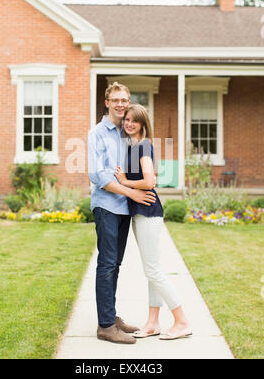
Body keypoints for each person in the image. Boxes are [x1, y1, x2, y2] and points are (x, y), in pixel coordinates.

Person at [115, 104, 192, 340]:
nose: (129, 123)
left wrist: (124, 181)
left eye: (134, 121)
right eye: (127, 119)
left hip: (148, 211)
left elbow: (149, 181)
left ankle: (181, 321)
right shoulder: (133, 146)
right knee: (152, 270)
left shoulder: (143, 146)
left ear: (142, 124)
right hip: (141, 212)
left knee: (153, 270)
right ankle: (153, 323)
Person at [88, 83, 157, 344]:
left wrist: (144, 182)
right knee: (107, 263)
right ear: (106, 102)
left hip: (123, 209)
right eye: (115, 99)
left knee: (115, 264)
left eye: (124, 100)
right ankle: (105, 326)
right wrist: (132, 192)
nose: (120, 104)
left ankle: (110, 315)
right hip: (106, 206)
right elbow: (98, 176)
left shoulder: (126, 131)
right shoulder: (97, 134)